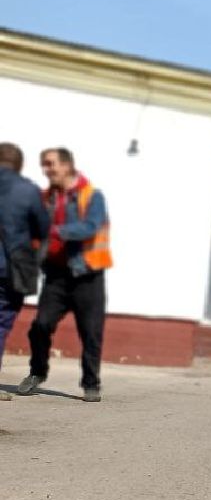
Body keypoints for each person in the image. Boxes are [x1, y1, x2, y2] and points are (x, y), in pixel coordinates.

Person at [16, 148, 111, 403]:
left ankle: (91, 383)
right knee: (40, 326)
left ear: (67, 165)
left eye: (51, 164)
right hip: (56, 275)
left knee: (91, 332)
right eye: (44, 165)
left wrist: (55, 230)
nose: (47, 169)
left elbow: (91, 226)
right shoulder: (46, 197)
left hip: (87, 274)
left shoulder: (92, 196)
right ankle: (37, 373)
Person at [0, 143, 50, 400]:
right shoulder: (28, 191)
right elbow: (43, 228)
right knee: (1, 321)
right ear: (19, 165)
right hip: (10, 268)